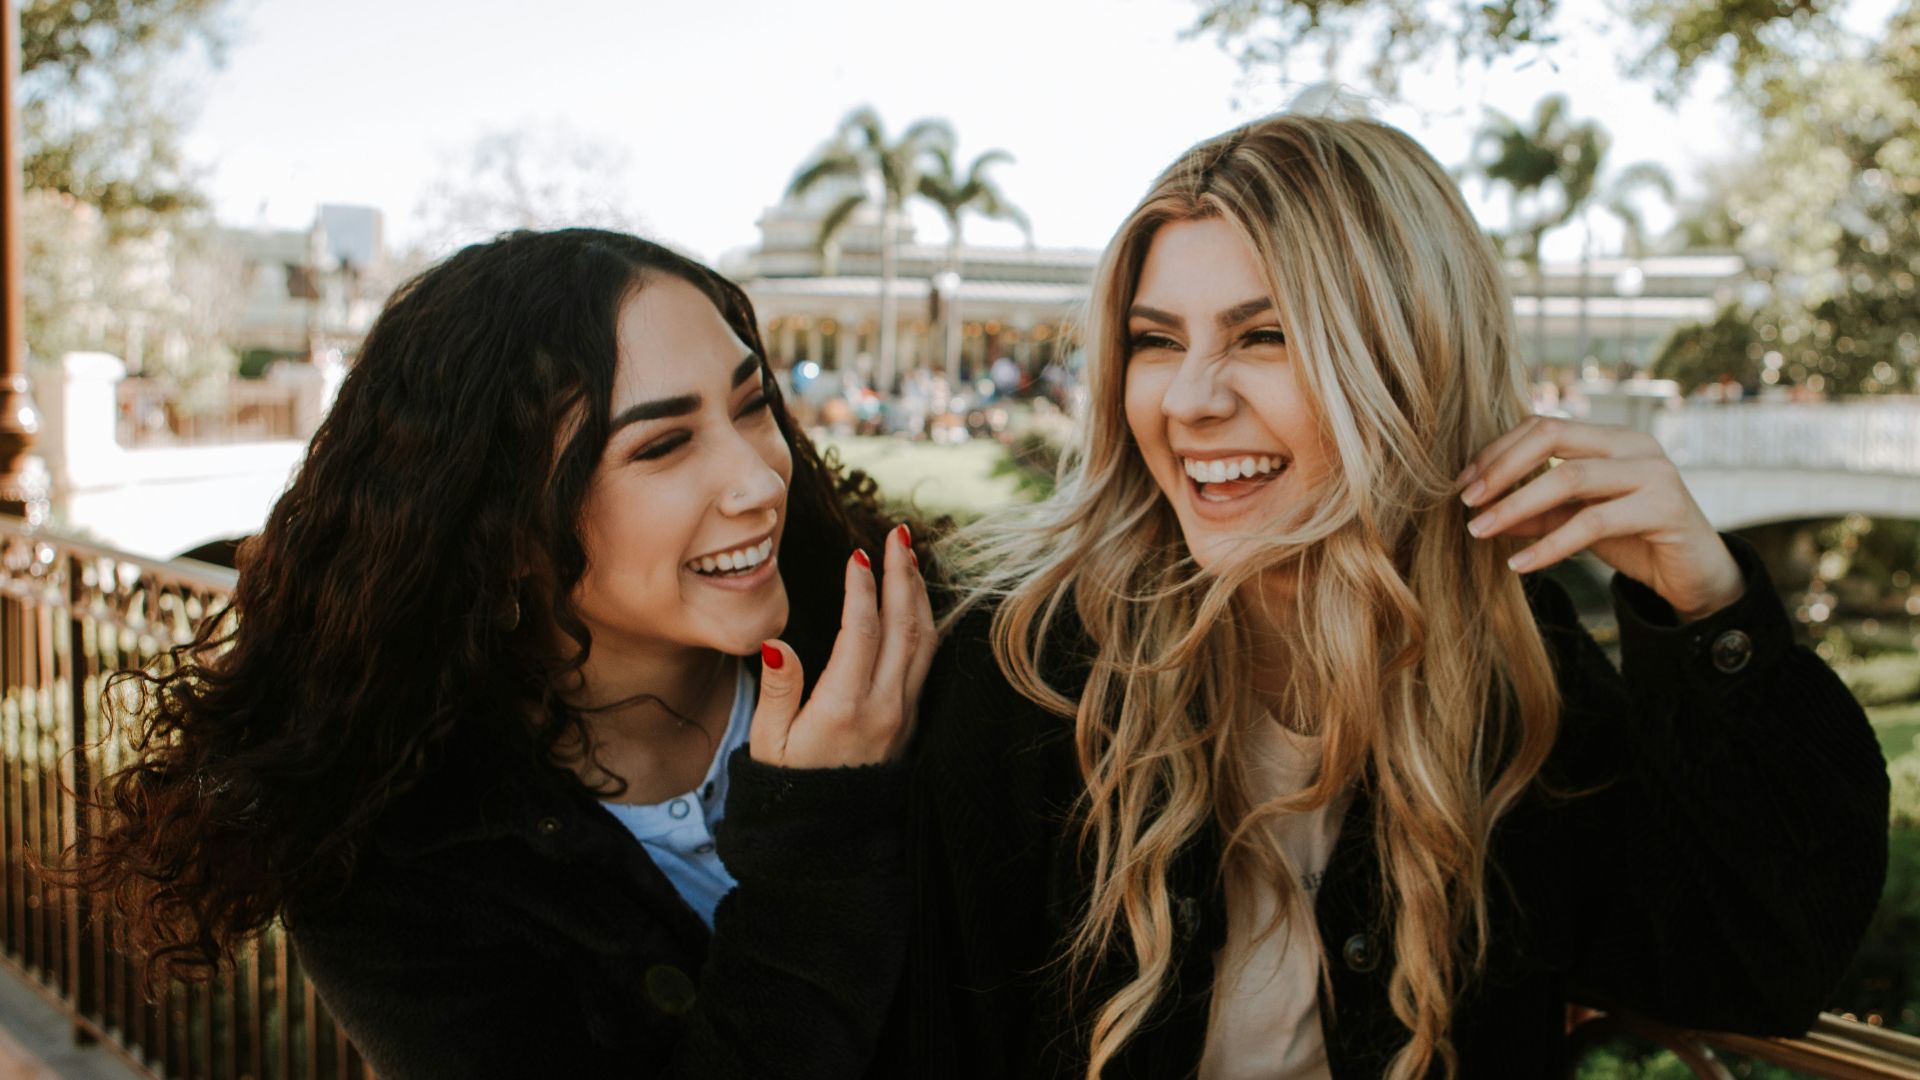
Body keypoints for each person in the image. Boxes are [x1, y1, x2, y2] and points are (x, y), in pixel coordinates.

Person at [900, 115, 1887, 1079]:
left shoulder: (1511, 665)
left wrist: (1708, 612)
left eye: (1266, 335)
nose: (1191, 399)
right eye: (1156, 341)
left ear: (1411, 358)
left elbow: (1757, 964)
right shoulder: (1027, 670)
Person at [69, 229, 935, 1078]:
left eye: (753, 405)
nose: (757, 478)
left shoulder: (917, 651)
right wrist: (820, 831)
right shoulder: (396, 868)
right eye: (662, 445)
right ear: (499, 525)